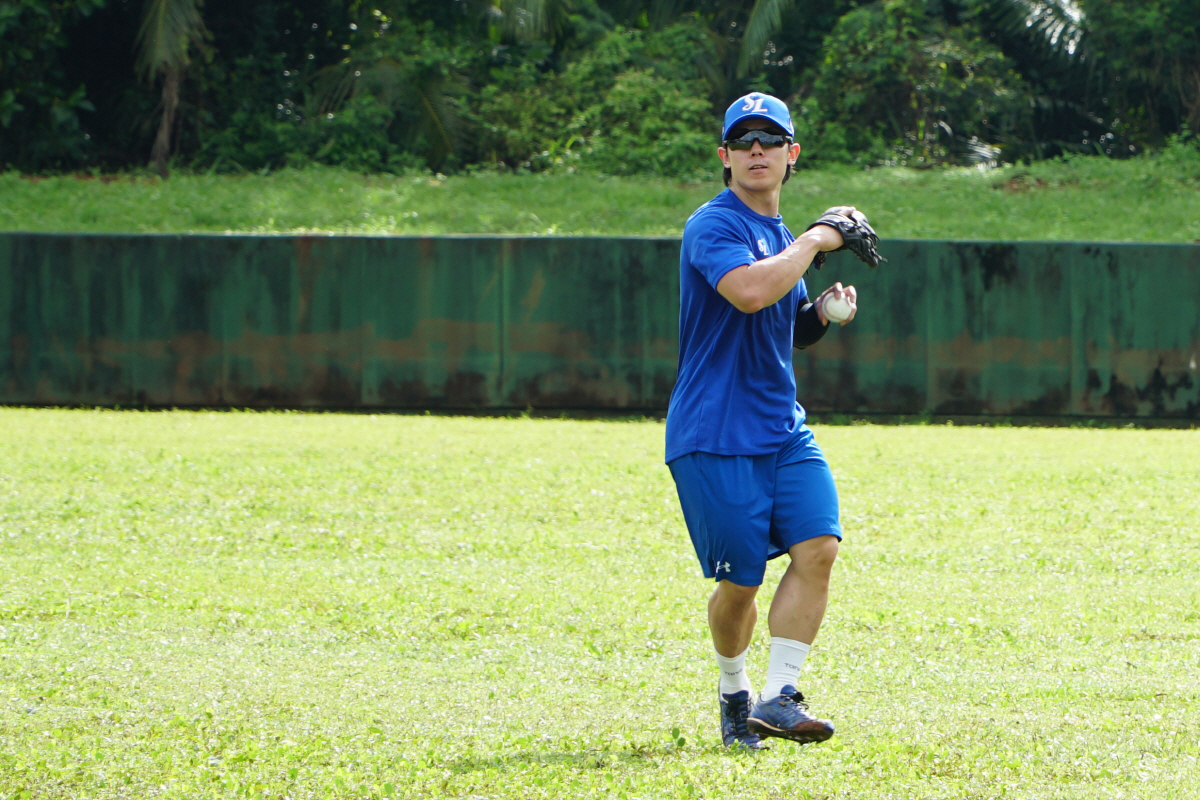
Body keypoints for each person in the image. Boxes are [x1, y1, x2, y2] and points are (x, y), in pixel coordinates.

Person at [665, 91, 859, 750]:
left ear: (790, 153)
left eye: (769, 139)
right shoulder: (712, 225)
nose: (756, 149)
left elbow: (788, 324)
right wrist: (818, 239)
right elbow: (750, 293)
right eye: (743, 140)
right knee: (740, 582)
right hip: (714, 432)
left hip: (781, 427)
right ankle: (734, 691)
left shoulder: (781, 237)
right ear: (724, 155)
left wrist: (820, 312)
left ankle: (779, 696)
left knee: (820, 548)